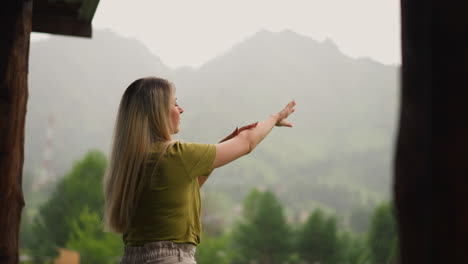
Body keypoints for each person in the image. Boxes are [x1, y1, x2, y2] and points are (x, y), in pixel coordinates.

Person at [103, 77, 296, 264]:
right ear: (158, 112)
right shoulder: (175, 155)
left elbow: (188, 185)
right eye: (175, 103)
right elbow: (246, 142)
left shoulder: (131, 163)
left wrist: (220, 148)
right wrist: (274, 118)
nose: (181, 109)